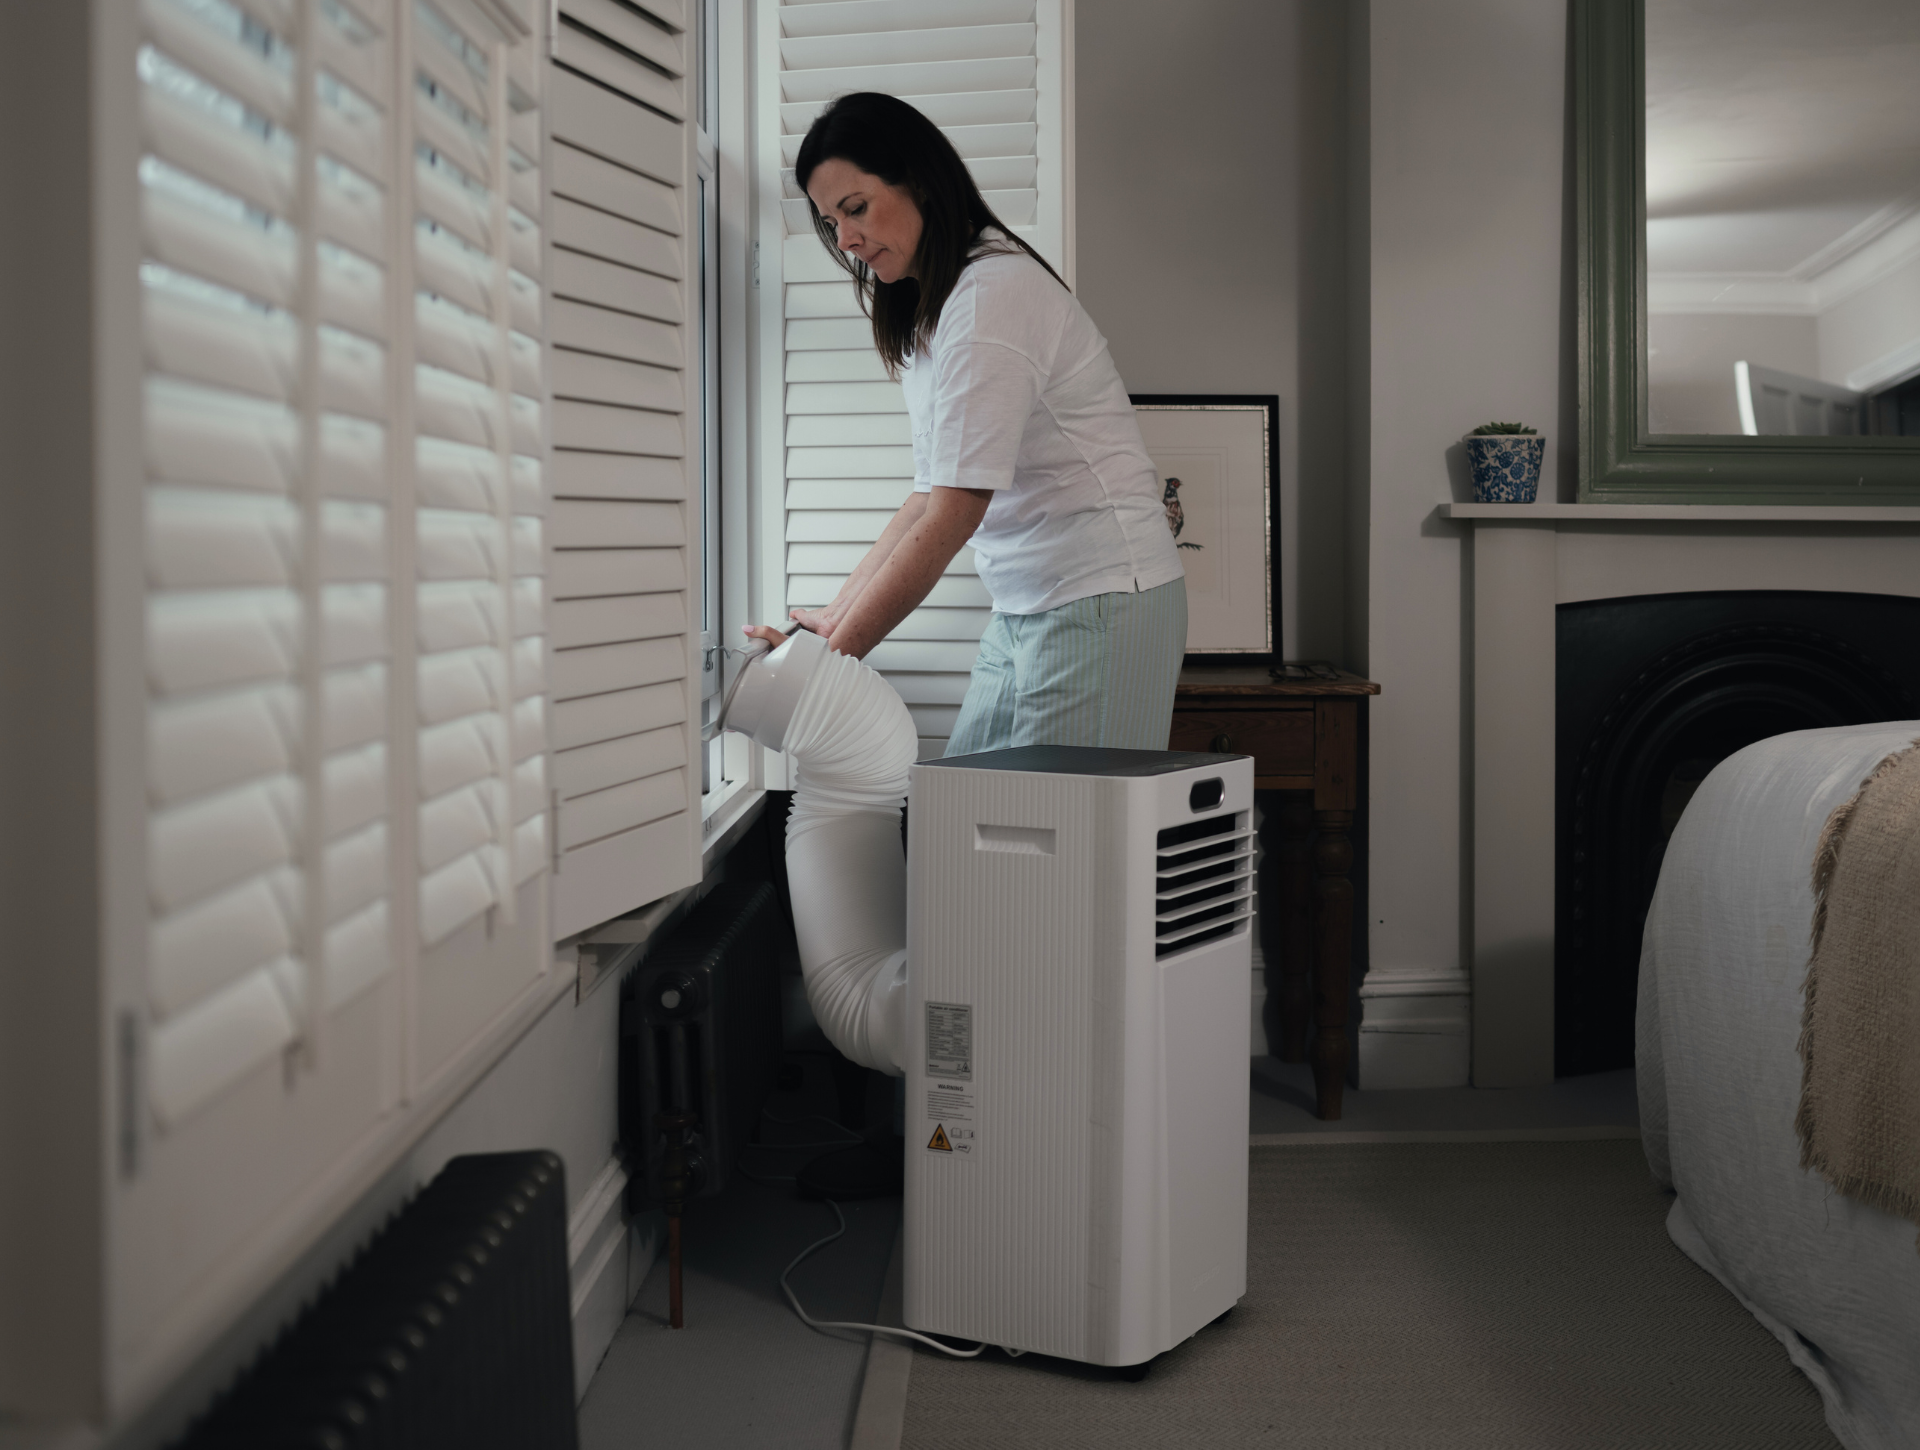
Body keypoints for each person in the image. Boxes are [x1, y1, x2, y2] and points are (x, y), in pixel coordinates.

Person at [745, 92, 1185, 755]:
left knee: (1053, 823)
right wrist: (830, 627)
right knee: (967, 809)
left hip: (1100, 598)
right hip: (1028, 606)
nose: (845, 239)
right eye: (831, 221)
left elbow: (953, 513)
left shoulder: (991, 297)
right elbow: (926, 497)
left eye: (856, 208)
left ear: (920, 181)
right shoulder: (940, 309)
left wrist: (824, 665)